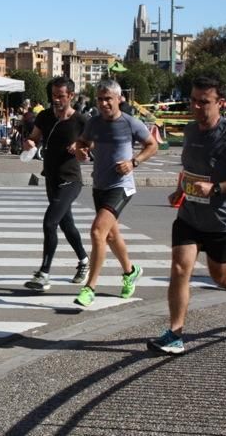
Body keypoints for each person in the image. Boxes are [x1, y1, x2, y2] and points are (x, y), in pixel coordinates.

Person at [147, 77, 226, 355]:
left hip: (223, 220)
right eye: (193, 100)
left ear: (220, 103)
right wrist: (179, 190)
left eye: (204, 102)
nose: (197, 107)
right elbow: (190, 168)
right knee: (179, 269)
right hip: (190, 216)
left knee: (220, 275)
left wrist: (217, 188)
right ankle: (175, 334)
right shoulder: (190, 131)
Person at [72, 79, 158, 307]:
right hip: (100, 184)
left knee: (97, 232)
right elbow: (83, 142)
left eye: (108, 99)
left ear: (119, 99)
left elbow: (152, 144)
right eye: (100, 99)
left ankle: (90, 287)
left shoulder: (131, 123)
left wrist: (134, 162)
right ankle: (130, 272)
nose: (103, 103)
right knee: (111, 236)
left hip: (121, 186)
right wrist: (81, 151)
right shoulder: (93, 123)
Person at [22, 77, 90, 291]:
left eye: (61, 96)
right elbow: (34, 137)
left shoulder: (81, 120)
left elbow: (90, 147)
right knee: (66, 224)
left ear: (71, 96)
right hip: (51, 178)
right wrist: (30, 142)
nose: (57, 100)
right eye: (54, 96)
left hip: (70, 180)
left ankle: (43, 273)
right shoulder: (44, 116)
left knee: (50, 222)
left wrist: (79, 145)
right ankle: (84, 262)